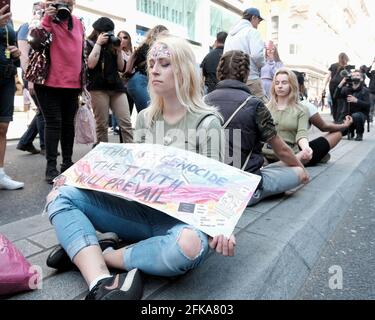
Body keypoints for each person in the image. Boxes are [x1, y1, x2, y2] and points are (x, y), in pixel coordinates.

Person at [44, 35, 235, 300]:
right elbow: (128, 173)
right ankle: (99, 281)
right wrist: (77, 176)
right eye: (152, 63)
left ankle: (100, 255)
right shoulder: (145, 118)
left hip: (183, 225)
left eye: (165, 63)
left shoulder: (208, 122)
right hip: (139, 213)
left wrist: (223, 228)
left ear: (184, 70)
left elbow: (219, 192)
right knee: (60, 196)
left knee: (188, 247)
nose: (154, 69)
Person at [205, 50, 309, 206]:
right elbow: (282, 150)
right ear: (246, 74)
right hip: (244, 188)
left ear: (220, 72)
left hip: (209, 184)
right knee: (299, 172)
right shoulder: (254, 104)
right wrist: (303, 169)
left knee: (274, 166)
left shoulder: (203, 101)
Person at [33, 0, 85, 184]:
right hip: (49, 83)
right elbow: (35, 43)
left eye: (68, 2)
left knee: (68, 125)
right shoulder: (43, 19)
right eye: (61, 2)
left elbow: (81, 54)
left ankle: (67, 163)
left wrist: (83, 83)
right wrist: (48, 18)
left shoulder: (78, 22)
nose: (65, 6)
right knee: (54, 123)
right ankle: (51, 167)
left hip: (72, 84)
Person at [86, 17, 133, 146]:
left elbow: (120, 67)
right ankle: (103, 155)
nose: (109, 35)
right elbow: (91, 64)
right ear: (98, 32)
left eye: (110, 32)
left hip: (116, 87)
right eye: (105, 33)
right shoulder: (89, 43)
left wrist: (118, 50)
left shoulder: (113, 44)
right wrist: (98, 44)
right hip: (98, 88)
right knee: (102, 125)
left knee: (126, 123)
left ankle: (130, 152)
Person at [293, 70, 353, 166]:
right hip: (295, 153)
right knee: (337, 133)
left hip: (273, 150)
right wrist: (344, 125)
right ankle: (318, 156)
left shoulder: (270, 105)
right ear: (301, 87)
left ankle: (319, 154)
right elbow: (324, 127)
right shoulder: (305, 106)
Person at [262, 68, 313, 165]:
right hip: (266, 154)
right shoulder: (264, 108)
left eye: (284, 82)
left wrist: (306, 148)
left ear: (292, 85)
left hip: (290, 155)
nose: (280, 86)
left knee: (302, 156)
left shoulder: (302, 110)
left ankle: (276, 167)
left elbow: (301, 134)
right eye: (277, 83)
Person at [16, 1, 46, 155]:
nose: (41, 12)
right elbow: (23, 56)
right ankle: (44, 146)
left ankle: (26, 142)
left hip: (42, 74)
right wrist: (30, 79)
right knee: (42, 110)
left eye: (44, 10)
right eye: (39, 10)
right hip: (32, 74)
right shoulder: (26, 27)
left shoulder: (43, 28)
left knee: (43, 110)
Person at [0, 4, 24, 190]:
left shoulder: (8, 18)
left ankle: (0, 174)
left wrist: (17, 54)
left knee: (2, 127)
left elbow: (10, 47)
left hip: (6, 76)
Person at [224, 7, 266, 102]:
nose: (257, 25)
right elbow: (257, 55)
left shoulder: (230, 35)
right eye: (258, 22)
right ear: (254, 17)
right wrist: (262, 64)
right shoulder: (252, 32)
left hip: (231, 80)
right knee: (263, 108)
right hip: (250, 78)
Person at [125, 25, 168, 112]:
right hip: (141, 81)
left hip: (136, 81)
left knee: (147, 114)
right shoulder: (155, 47)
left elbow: (128, 69)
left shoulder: (143, 46)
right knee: (149, 113)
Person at [334, 70, 370, 141]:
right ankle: (350, 130)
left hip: (360, 115)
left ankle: (359, 133)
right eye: (353, 75)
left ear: (361, 78)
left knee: (356, 116)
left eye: (357, 75)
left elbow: (368, 105)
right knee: (335, 131)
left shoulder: (365, 90)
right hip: (346, 115)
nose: (355, 77)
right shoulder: (346, 89)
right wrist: (342, 82)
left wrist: (356, 101)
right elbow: (335, 96)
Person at [322, 53, 354, 122]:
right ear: (346, 58)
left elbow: (328, 76)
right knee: (342, 101)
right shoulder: (348, 67)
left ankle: (336, 118)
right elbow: (350, 77)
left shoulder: (333, 65)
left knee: (334, 102)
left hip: (332, 85)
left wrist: (324, 86)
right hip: (342, 85)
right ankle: (340, 118)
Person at [364, 58, 375, 123]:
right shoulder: (373, 73)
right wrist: (372, 62)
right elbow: (367, 72)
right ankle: (370, 119)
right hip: (372, 92)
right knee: (371, 106)